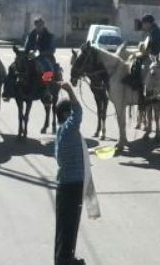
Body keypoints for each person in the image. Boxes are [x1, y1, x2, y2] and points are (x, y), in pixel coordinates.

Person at [53, 82, 87, 265]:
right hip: (73, 186)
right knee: (70, 226)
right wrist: (69, 90)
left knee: (64, 226)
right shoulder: (68, 129)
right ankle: (66, 261)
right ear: (65, 115)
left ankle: (63, 258)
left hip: (65, 184)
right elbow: (79, 112)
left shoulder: (60, 132)